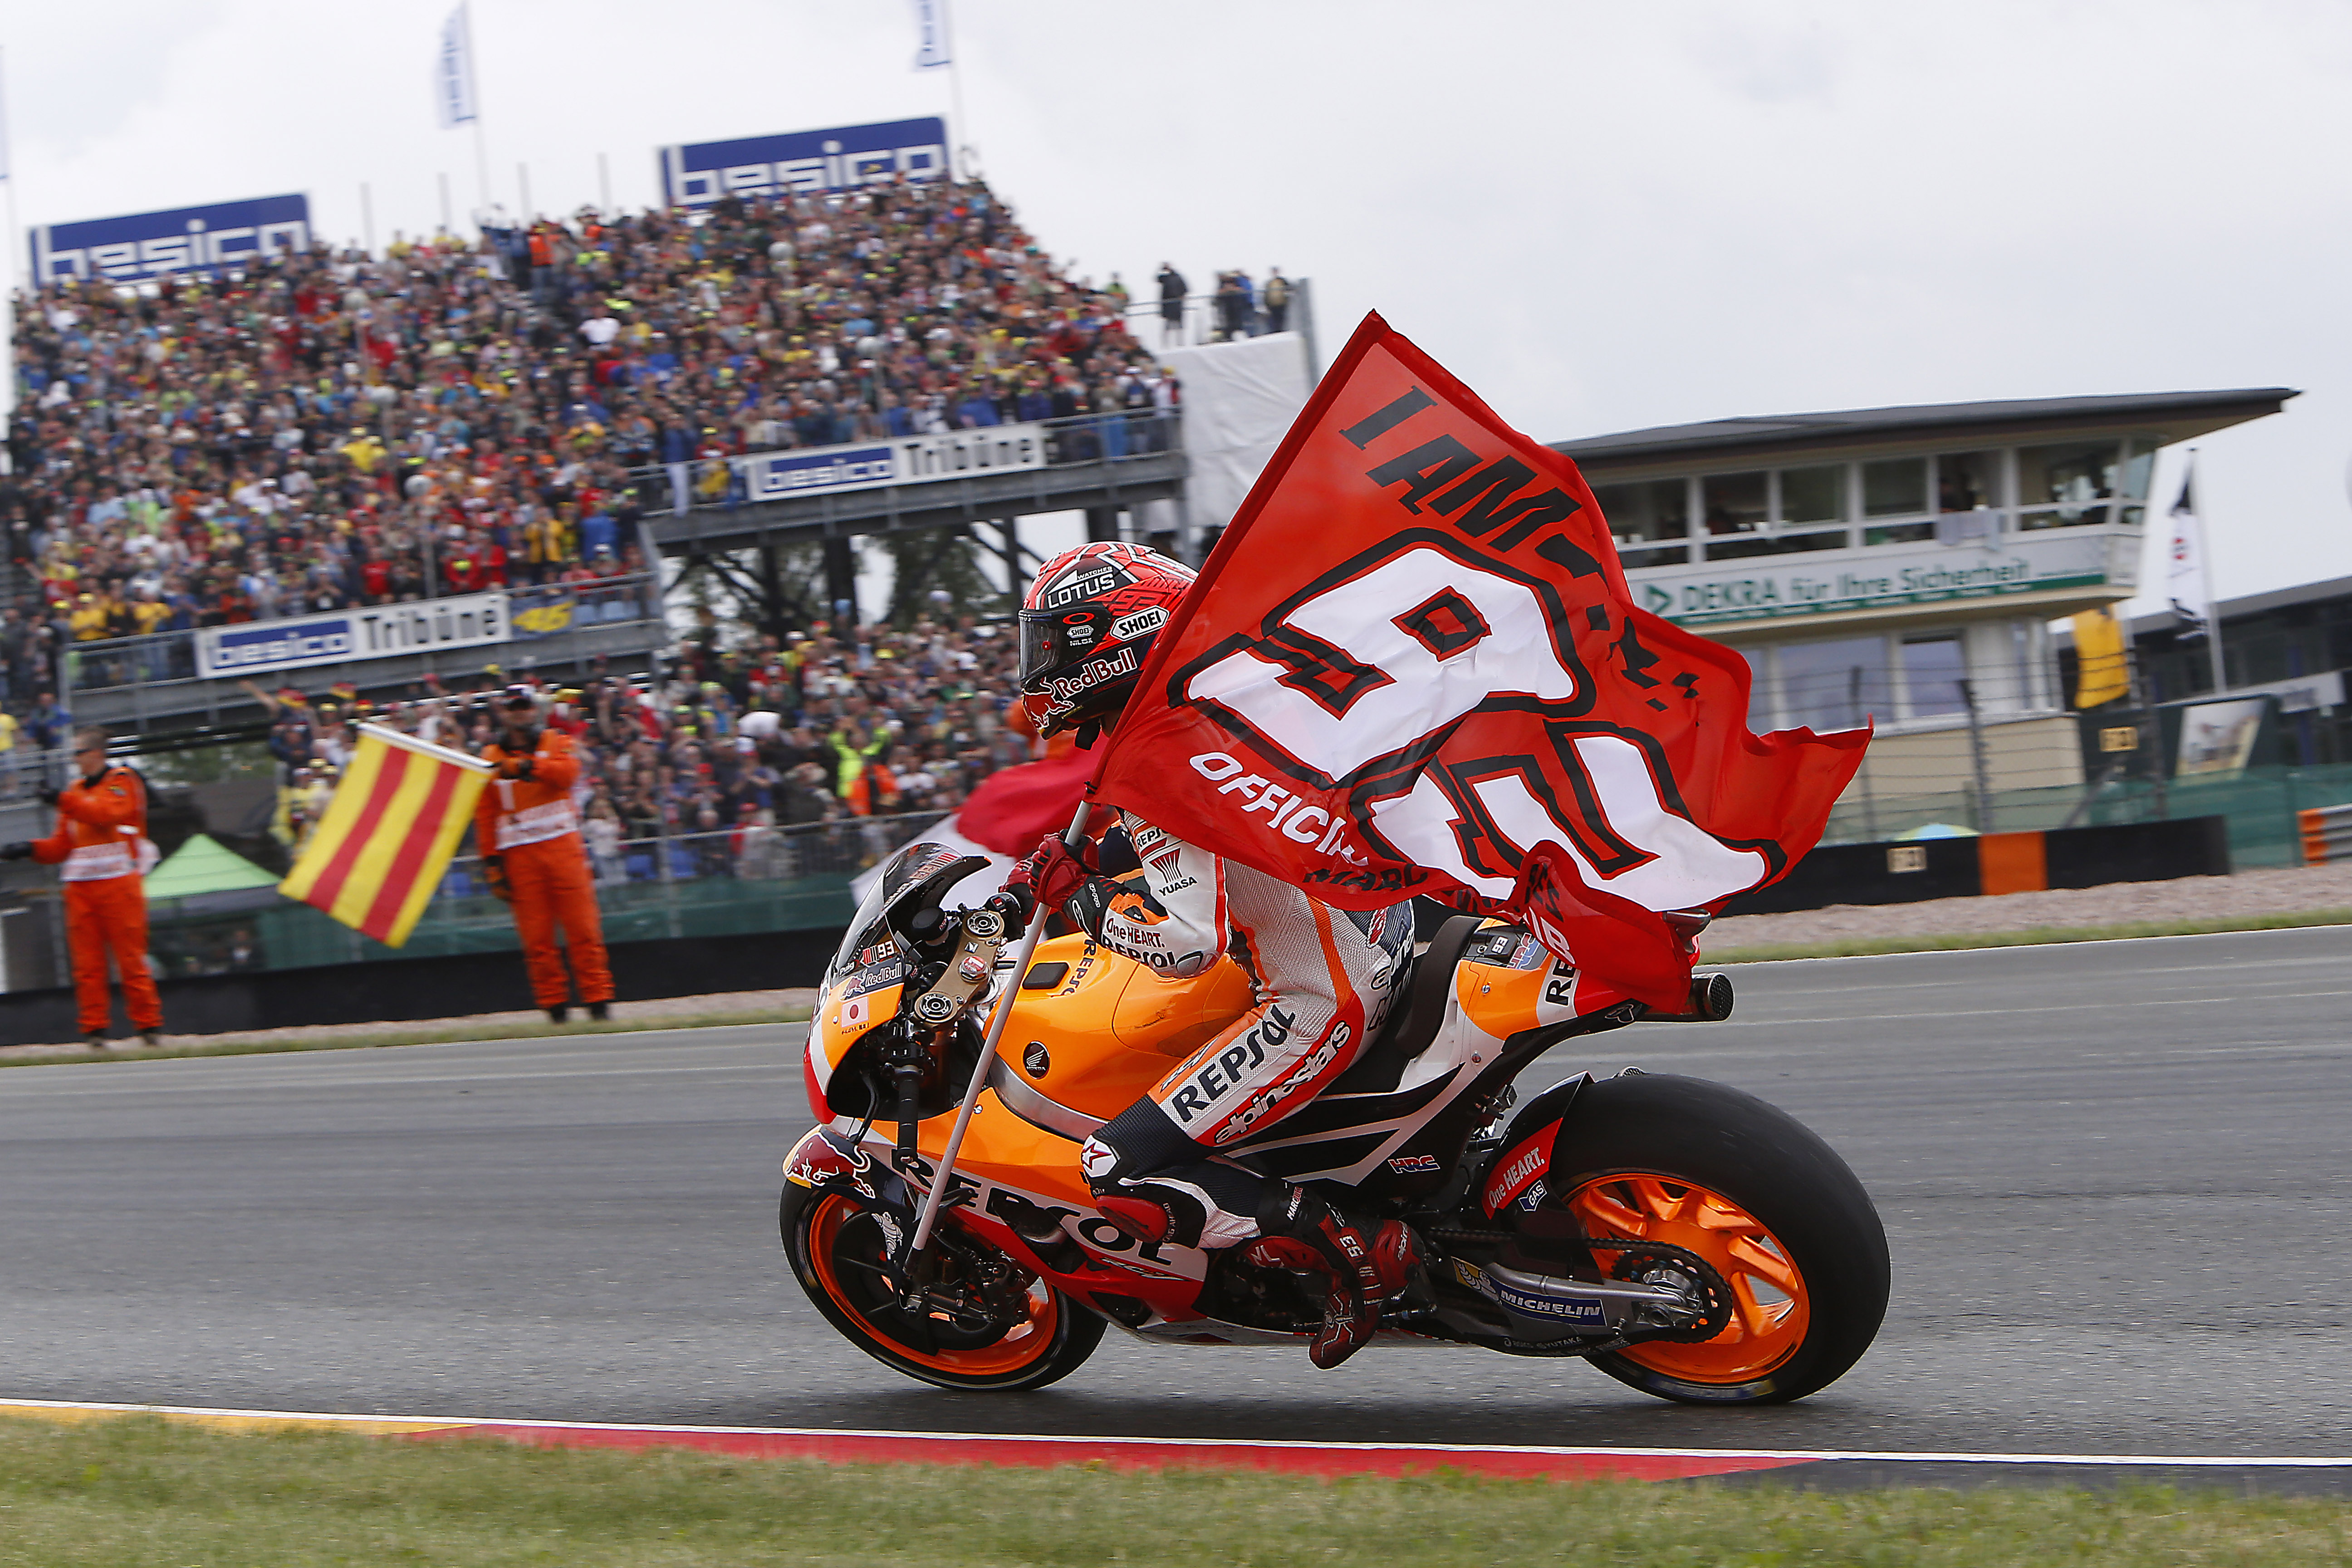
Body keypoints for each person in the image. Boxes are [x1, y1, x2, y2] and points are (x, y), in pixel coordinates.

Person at [994, 543, 1420, 1369]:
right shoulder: (1224, 701)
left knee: (1114, 1167)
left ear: (1107, 641)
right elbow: (1215, 836)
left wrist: (1085, 903)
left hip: (1321, 998)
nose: (1037, 665)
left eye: (1050, 642)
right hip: (1385, 926)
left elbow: (1189, 945)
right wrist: (1097, 860)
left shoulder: (1157, 759)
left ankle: (1352, 1248)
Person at [1, 726, 164, 1047]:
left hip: (119, 884)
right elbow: (62, 847)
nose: (74, 759)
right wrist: (28, 849)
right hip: (81, 889)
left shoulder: (121, 782)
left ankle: (149, 1027)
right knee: (87, 964)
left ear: (96, 754)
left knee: (130, 959)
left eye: (79, 752)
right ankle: (94, 1031)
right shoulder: (75, 792)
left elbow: (105, 815)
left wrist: (62, 801)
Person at [476, 688, 614, 1022]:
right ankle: (555, 1009)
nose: (519, 713)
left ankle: (598, 1002)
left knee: (584, 930)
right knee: (537, 939)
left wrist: (528, 766)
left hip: (563, 849)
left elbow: (568, 775)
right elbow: (485, 813)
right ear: (503, 713)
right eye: (513, 708)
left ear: (534, 710)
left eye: (524, 707)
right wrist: (492, 863)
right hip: (520, 857)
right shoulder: (489, 757)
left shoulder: (557, 741)